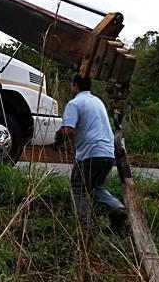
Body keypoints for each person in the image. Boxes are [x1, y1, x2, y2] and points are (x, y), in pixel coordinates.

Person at [55, 74, 128, 231]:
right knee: (93, 186)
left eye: (71, 85)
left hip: (91, 152)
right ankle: (116, 206)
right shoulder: (98, 102)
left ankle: (84, 226)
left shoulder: (74, 103)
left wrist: (56, 141)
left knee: (78, 185)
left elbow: (67, 130)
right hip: (108, 153)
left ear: (75, 86)